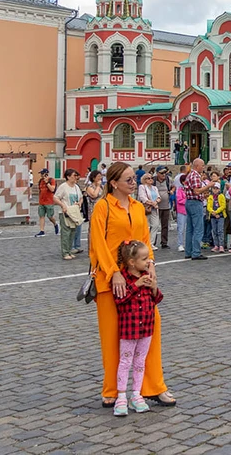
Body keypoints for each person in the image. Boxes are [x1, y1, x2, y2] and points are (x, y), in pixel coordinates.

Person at [90, 161, 175, 408]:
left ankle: (153, 386)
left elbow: (145, 240)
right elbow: (98, 244)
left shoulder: (138, 207)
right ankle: (111, 389)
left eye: (134, 179)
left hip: (140, 279)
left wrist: (151, 266)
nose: (133, 182)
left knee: (152, 330)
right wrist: (114, 272)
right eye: (128, 179)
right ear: (114, 183)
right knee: (111, 336)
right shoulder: (103, 207)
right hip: (110, 281)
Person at [111, 239, 164, 416]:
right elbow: (120, 299)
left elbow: (157, 299)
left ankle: (136, 394)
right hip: (129, 328)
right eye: (144, 259)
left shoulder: (147, 275)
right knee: (125, 361)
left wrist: (154, 287)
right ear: (132, 262)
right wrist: (136, 285)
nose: (148, 262)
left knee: (140, 362)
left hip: (146, 327)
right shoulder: (122, 278)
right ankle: (121, 396)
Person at [53, 169, 84, 260]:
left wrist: (79, 203)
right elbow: (55, 198)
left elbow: (81, 197)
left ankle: (69, 250)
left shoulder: (76, 187)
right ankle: (65, 252)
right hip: (65, 212)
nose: (76, 177)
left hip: (74, 212)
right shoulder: (63, 187)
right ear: (68, 177)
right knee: (66, 232)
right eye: (74, 175)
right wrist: (62, 205)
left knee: (73, 232)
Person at [182, 159, 209, 261]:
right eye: (202, 165)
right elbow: (197, 191)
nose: (203, 167)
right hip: (195, 203)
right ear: (197, 166)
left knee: (190, 229)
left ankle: (188, 251)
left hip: (189, 202)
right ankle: (196, 252)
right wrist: (208, 186)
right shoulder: (195, 175)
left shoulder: (190, 175)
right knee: (198, 228)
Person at [138, 173, 161, 250]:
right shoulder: (142, 187)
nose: (151, 179)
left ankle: (151, 243)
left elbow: (159, 197)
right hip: (146, 208)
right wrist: (152, 203)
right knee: (146, 227)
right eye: (148, 178)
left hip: (154, 208)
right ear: (144, 180)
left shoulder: (155, 188)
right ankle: (144, 243)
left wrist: (155, 202)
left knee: (155, 225)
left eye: (151, 178)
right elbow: (143, 198)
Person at [205, 178, 227, 254]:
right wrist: (212, 212)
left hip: (220, 215)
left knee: (220, 230)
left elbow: (223, 206)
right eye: (214, 188)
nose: (215, 190)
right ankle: (216, 245)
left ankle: (221, 245)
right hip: (213, 216)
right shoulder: (210, 197)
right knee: (214, 231)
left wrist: (217, 212)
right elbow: (208, 206)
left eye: (216, 189)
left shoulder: (221, 196)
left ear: (219, 189)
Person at [35, 168, 59, 237]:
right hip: (41, 202)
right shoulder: (40, 181)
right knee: (41, 216)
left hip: (49, 201)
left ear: (46, 174)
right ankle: (42, 231)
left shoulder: (52, 180)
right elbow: (40, 191)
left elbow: (52, 189)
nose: (41, 175)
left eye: (42, 173)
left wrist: (47, 183)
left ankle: (55, 224)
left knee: (50, 216)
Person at [154, 167, 172, 249]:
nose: (163, 175)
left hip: (166, 205)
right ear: (157, 173)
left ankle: (164, 242)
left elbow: (173, 187)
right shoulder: (153, 180)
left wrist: (172, 191)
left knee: (165, 225)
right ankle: (152, 242)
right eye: (161, 173)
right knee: (155, 225)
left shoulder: (168, 180)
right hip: (156, 206)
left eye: (165, 173)